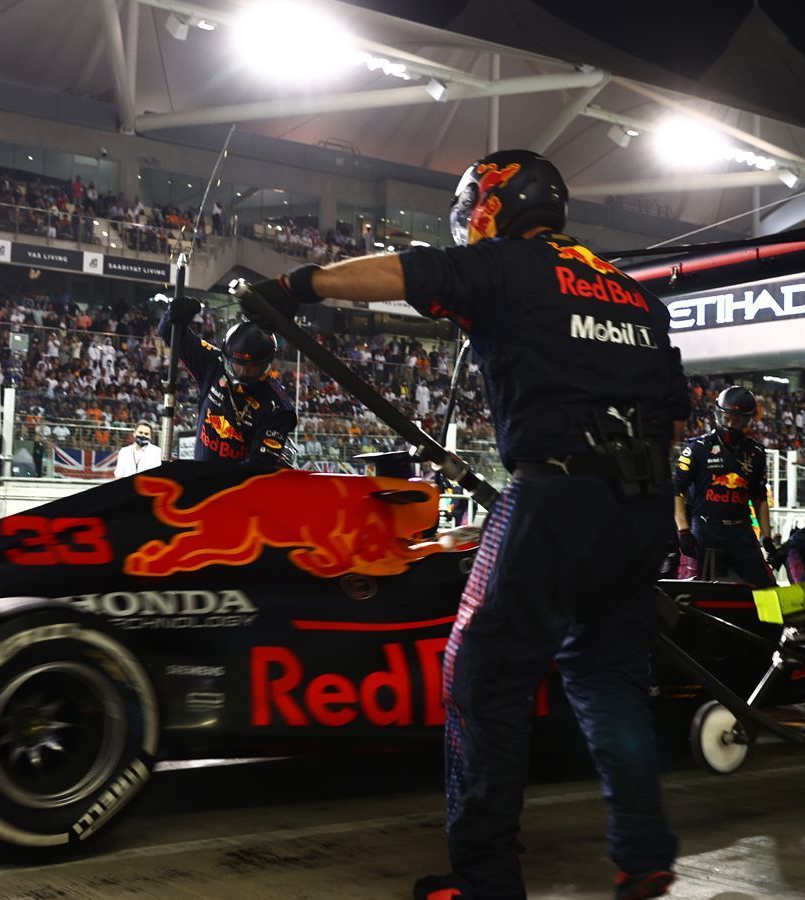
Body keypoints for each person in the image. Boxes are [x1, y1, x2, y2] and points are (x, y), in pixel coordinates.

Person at [241, 149, 686, 900]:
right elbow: (675, 415)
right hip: (642, 509)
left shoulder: (507, 265)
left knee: (481, 677)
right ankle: (643, 853)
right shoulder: (637, 296)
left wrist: (296, 286)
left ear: (497, 201)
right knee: (608, 679)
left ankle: (484, 881)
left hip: (556, 494)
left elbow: (405, 273)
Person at [155, 312, 295, 468]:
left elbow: (258, 467)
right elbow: (167, 332)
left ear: (266, 366)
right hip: (201, 476)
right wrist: (173, 315)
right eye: (237, 367)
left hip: (237, 487)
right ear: (227, 359)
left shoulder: (278, 407)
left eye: (251, 369)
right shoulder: (215, 363)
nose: (242, 374)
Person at [672, 385, 775, 586]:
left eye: (736, 420)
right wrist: (683, 532)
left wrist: (767, 536)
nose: (729, 424)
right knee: (692, 588)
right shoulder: (698, 448)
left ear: (747, 420)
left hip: (741, 532)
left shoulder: (756, 452)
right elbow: (677, 491)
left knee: (767, 588)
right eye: (726, 418)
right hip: (704, 529)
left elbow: (760, 498)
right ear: (718, 414)